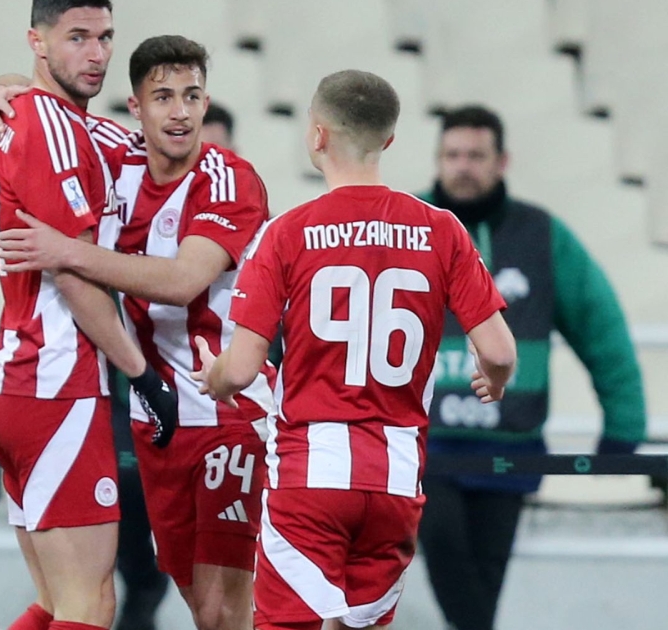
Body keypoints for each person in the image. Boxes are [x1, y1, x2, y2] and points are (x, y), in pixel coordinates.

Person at [193, 70, 518, 630]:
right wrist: (496, 378)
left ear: (318, 135)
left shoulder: (287, 232)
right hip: (395, 479)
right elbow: (500, 350)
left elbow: (241, 369)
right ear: (388, 139)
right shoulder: (442, 230)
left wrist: (213, 376)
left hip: (310, 475)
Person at [0, 36, 273, 630]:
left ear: (206, 103)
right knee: (198, 604)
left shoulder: (229, 179)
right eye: (164, 97)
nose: (180, 112)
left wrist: (68, 250)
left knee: (224, 609)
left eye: (192, 96)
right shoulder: (114, 154)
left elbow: (182, 281)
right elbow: (38, 103)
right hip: (158, 417)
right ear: (135, 108)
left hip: (228, 410)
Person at [0, 4, 180, 630]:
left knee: (57, 602)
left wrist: (0, 84)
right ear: (37, 42)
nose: (96, 54)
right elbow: (71, 273)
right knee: (89, 604)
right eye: (78, 38)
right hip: (56, 380)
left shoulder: (66, 123)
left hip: (25, 376)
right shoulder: (47, 126)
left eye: (105, 38)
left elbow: (157, 148)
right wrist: (142, 375)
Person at [416, 105, 647, 630]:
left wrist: (624, 424)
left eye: (476, 155)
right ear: (438, 160)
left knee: (483, 583)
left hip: (512, 446)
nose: (463, 166)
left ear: (502, 161)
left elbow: (600, 327)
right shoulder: (407, 226)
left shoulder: (542, 235)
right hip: (426, 445)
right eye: (453, 155)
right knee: (445, 547)